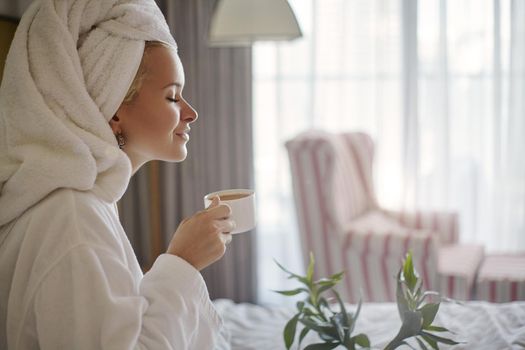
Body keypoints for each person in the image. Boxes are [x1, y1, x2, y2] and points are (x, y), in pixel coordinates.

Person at [0, 0, 234, 349]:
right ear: (113, 110)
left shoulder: (85, 204)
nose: (191, 113)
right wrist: (182, 262)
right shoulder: (72, 219)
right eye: (172, 97)